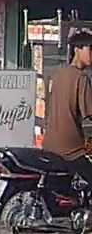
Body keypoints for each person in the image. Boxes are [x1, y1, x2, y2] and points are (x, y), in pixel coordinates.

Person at [44, 30, 92, 186]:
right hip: (71, 149)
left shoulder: (58, 73)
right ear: (77, 50)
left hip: (49, 145)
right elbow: (89, 114)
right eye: (90, 48)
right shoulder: (81, 78)